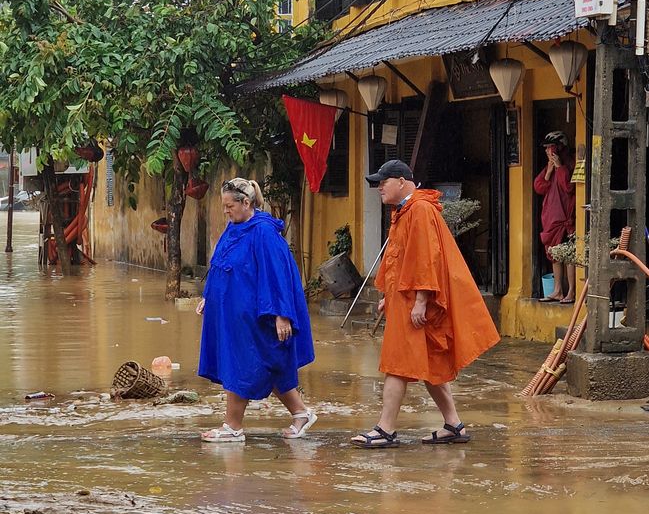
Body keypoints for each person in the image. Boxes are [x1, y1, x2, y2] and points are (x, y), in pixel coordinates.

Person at [351, 160, 500, 449]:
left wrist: (420, 301)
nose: (379, 187)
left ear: (402, 181)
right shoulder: (407, 210)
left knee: (397, 364)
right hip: (406, 298)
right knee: (431, 364)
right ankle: (453, 425)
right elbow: (401, 258)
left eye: (383, 182)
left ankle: (385, 430)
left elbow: (426, 259)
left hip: (416, 301)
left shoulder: (419, 210)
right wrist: (389, 295)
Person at [197, 178, 316, 443]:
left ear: (246, 203)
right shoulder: (234, 228)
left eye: (229, 206)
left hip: (256, 315)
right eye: (224, 206)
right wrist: (209, 296)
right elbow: (220, 264)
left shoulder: (264, 232)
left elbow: (279, 275)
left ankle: (233, 426)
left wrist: (282, 314)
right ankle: (301, 413)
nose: (225, 211)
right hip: (233, 315)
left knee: (246, 364)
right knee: (261, 366)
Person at [533, 131, 576, 304]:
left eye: (549, 148)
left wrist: (559, 167)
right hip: (550, 219)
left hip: (565, 218)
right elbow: (539, 187)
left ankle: (571, 292)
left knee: (569, 256)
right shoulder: (548, 167)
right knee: (554, 254)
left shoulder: (569, 164)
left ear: (558, 148)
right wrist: (549, 170)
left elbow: (568, 187)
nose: (547, 152)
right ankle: (557, 290)